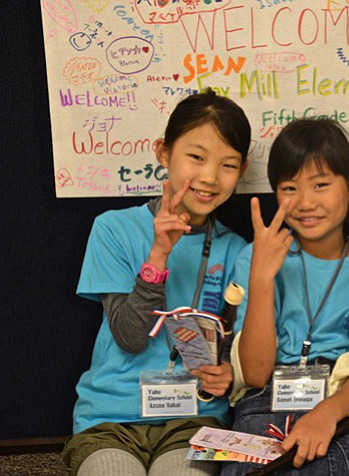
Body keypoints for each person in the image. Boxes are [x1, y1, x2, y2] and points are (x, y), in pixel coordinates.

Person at [62, 89, 251, 476]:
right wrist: (158, 256)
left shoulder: (237, 250)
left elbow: (238, 348)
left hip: (196, 420)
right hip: (110, 419)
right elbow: (130, 337)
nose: (210, 177)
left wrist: (228, 374)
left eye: (227, 165)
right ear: (164, 153)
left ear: (242, 171)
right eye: (196, 157)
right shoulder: (113, 228)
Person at [221, 118, 349, 476]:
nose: (306, 203)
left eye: (321, 184)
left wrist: (328, 412)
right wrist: (262, 279)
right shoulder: (254, 256)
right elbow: (257, 373)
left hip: (340, 403)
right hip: (265, 399)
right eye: (290, 188)